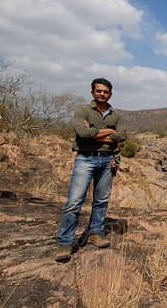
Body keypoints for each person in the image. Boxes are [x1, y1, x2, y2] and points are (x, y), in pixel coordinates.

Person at [55, 78, 127, 262]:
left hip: (107, 160)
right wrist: (109, 132)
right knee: (74, 201)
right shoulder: (83, 111)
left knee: (101, 200)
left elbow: (122, 136)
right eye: (98, 91)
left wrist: (96, 133)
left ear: (110, 93)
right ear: (93, 92)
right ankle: (65, 242)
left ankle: (96, 232)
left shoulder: (116, 115)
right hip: (85, 159)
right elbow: (82, 134)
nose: (102, 94)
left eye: (105, 91)